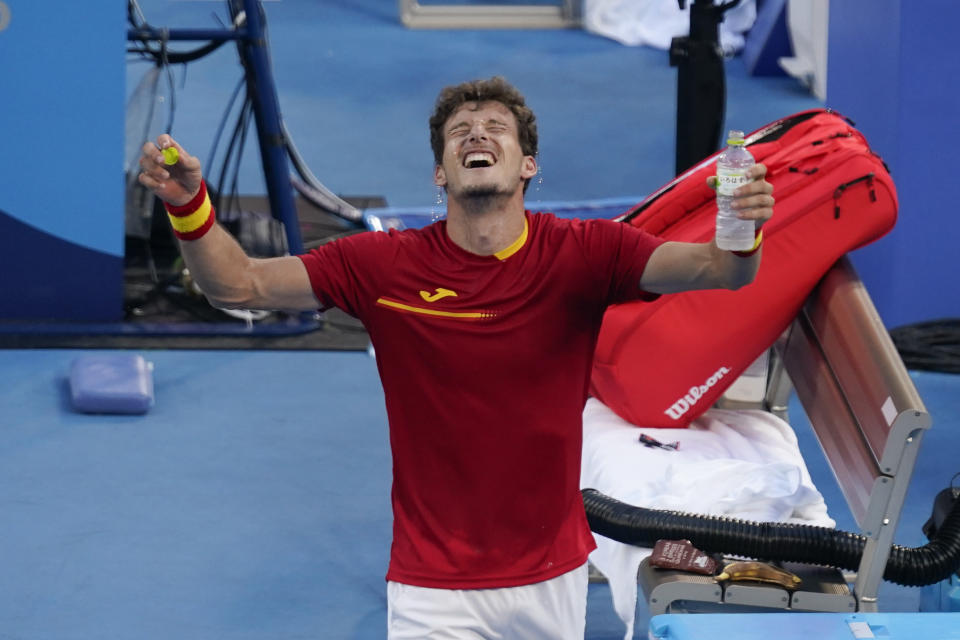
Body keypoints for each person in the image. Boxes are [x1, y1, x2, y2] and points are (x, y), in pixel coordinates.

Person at [138, 76, 774, 639]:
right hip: (430, 585)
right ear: (442, 173)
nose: (478, 135)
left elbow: (722, 269)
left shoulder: (585, 254)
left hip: (551, 577)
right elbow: (239, 285)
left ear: (528, 165)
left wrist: (742, 224)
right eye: (460, 132)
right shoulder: (381, 265)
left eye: (496, 127)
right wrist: (188, 206)